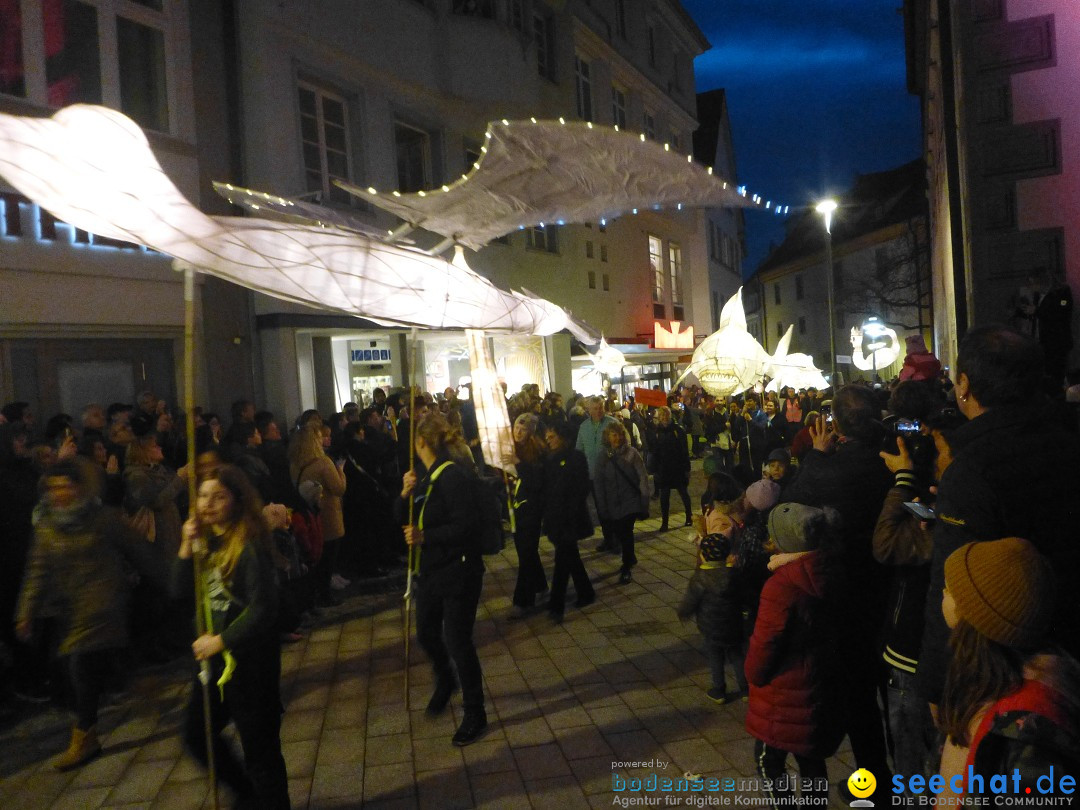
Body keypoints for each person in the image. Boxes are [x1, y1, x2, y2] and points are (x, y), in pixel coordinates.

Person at [916, 327, 1080, 715]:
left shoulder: (971, 468)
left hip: (1011, 671)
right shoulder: (1068, 438)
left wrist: (938, 687)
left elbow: (951, 586)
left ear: (965, 385)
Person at [15, 458, 159, 770]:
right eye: (53, 488)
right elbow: (36, 570)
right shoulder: (47, 527)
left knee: (80, 666)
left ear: (79, 488)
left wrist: (174, 576)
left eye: (65, 486)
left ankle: (84, 736)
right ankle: (130, 680)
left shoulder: (104, 519)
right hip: (69, 607)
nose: (59, 493)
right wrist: (25, 611)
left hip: (104, 603)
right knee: (86, 664)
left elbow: (139, 551)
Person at [176, 466, 290, 809]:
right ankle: (248, 794)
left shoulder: (250, 545)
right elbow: (177, 591)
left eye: (219, 496)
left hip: (250, 665)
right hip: (213, 666)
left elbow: (263, 609)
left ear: (237, 501)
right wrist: (184, 546)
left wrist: (221, 640)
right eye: (203, 495)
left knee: (261, 751)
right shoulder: (204, 542)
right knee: (197, 734)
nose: (208, 503)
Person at [938, 538, 1080, 797]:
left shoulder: (1027, 735)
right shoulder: (983, 682)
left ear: (978, 619)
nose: (943, 592)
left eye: (949, 589)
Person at [745, 503, 844, 809]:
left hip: (784, 694)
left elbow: (766, 642)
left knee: (767, 761)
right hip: (819, 685)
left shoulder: (782, 585)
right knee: (811, 760)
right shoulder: (831, 568)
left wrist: (753, 674)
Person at [400, 413, 488, 746]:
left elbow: (467, 526)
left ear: (420, 442)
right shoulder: (425, 477)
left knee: (457, 640)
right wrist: (404, 494)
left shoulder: (452, 477)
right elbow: (401, 520)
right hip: (432, 571)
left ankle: (475, 711)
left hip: (459, 571)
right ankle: (445, 678)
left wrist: (426, 536)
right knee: (425, 632)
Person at [677, 532, 747, 705]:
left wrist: (683, 612)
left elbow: (691, 600)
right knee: (737, 655)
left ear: (704, 554)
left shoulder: (700, 578)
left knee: (715, 657)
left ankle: (719, 690)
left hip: (711, 626)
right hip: (734, 624)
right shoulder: (735, 575)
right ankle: (746, 689)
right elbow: (745, 595)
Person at [542, 422, 595, 623]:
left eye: (552, 436)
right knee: (570, 557)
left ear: (563, 437)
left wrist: (569, 507)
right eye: (547, 438)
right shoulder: (549, 459)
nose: (549, 441)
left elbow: (582, 487)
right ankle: (586, 592)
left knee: (562, 562)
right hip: (556, 518)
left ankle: (556, 606)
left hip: (570, 518)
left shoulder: (576, 457)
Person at [289, 423, 346, 607]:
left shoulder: (294, 463)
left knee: (315, 557)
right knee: (328, 556)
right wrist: (341, 471)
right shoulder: (323, 463)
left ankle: (315, 595)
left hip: (309, 514)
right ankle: (325, 594)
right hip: (328, 514)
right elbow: (339, 488)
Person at [592, 422, 651, 584]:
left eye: (619, 434)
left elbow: (642, 478)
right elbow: (599, 483)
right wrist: (602, 505)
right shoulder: (602, 457)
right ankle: (630, 557)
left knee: (626, 531)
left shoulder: (632, 454)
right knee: (618, 532)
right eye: (613, 434)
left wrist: (644, 500)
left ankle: (626, 566)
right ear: (608, 437)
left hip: (629, 501)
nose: (617, 438)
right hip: (612, 502)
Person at [508, 414, 548, 618]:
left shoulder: (537, 450)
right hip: (515, 507)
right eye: (516, 427)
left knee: (526, 553)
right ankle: (541, 585)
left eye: (523, 429)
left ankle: (523, 601)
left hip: (531, 508)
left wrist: (518, 464)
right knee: (527, 551)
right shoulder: (512, 449)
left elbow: (536, 481)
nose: (518, 432)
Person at [652, 405, 692, 531]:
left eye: (666, 415)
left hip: (677, 468)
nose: (664, 417)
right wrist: (654, 469)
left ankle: (689, 516)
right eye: (662, 415)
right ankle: (665, 522)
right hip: (664, 469)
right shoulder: (657, 431)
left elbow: (684, 450)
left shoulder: (678, 430)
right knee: (664, 497)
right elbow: (655, 451)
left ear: (670, 416)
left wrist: (687, 468)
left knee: (683, 493)